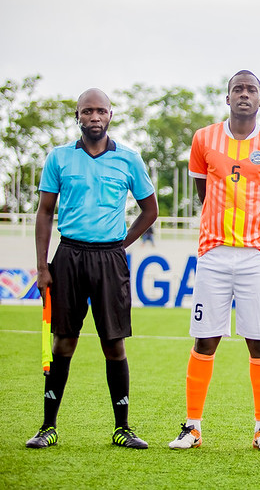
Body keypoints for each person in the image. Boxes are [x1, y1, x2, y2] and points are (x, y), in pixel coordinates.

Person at [168, 70, 260, 451]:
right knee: (205, 338)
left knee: (259, 340)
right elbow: (203, 191)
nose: (244, 94)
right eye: (237, 89)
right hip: (214, 252)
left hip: (258, 255)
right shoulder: (203, 139)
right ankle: (192, 427)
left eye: (251, 89)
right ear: (227, 98)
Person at [26, 88, 158, 449]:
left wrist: (120, 246)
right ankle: (48, 427)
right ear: (77, 116)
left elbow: (150, 210)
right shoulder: (59, 157)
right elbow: (45, 212)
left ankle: (122, 428)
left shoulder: (129, 159)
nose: (94, 117)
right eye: (87, 111)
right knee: (63, 341)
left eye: (101, 111)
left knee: (113, 343)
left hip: (109, 259)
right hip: (68, 255)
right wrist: (42, 266)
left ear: (111, 115)